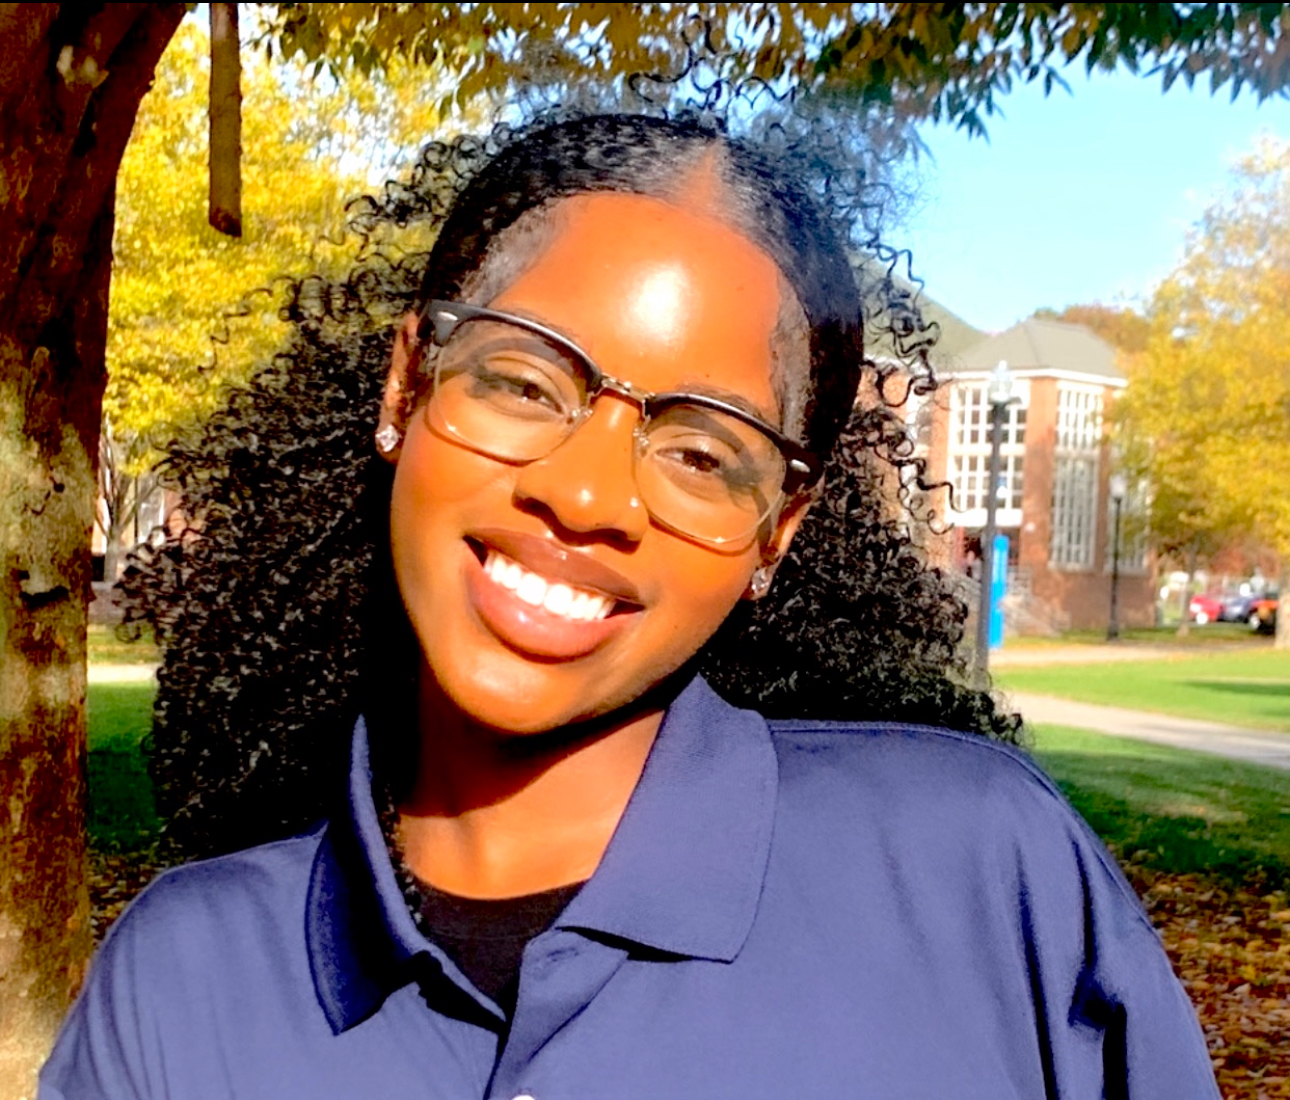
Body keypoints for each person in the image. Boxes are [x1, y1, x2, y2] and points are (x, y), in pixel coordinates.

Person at [42, 113, 1218, 1099]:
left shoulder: (982, 877)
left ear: (777, 530)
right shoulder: (179, 984)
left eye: (703, 452)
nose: (586, 494)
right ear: (407, 384)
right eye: (524, 382)